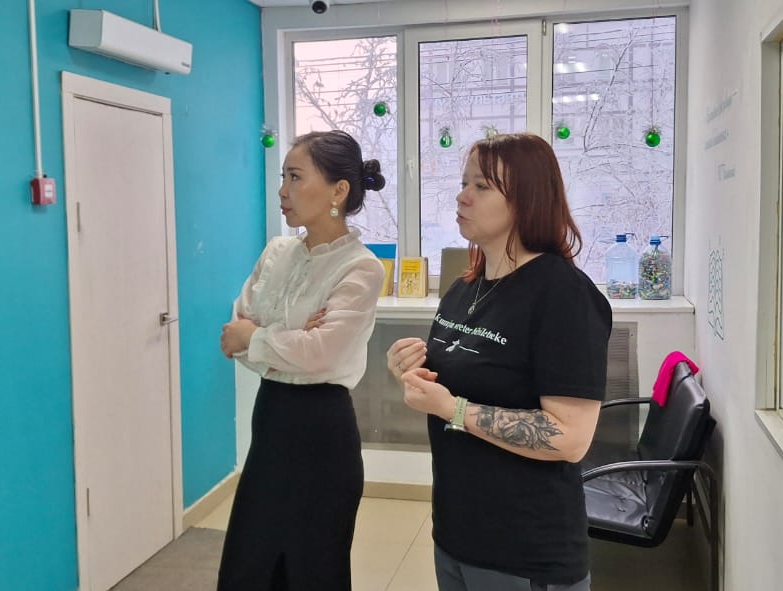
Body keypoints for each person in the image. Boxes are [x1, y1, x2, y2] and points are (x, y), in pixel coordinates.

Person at [386, 133, 612, 591]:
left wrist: (452, 409)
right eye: (463, 183)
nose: (462, 196)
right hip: (456, 534)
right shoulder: (463, 288)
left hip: (524, 550)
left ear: (527, 198)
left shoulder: (563, 295)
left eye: (482, 186)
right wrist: (409, 370)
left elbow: (570, 437)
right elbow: (456, 381)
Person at [217, 130, 388, 591]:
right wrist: (288, 339)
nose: (283, 191)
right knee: (249, 566)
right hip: (271, 421)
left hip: (322, 433)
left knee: (313, 569)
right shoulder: (277, 252)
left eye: (295, 177)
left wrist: (265, 337)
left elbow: (321, 353)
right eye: (283, 177)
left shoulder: (361, 267)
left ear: (338, 191)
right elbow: (235, 334)